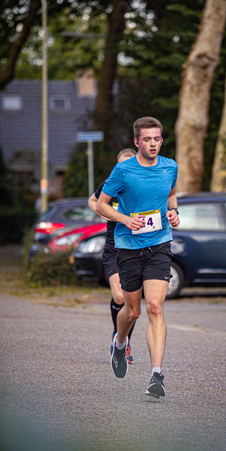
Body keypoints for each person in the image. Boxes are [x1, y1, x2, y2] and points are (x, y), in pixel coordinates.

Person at [95, 117, 180, 398]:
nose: (153, 144)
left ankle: (157, 375)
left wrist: (173, 212)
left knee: (155, 306)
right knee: (132, 311)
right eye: (147, 139)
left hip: (159, 243)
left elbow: (171, 194)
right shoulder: (123, 171)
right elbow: (101, 206)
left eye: (157, 139)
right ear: (137, 142)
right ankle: (119, 344)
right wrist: (125, 219)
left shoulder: (170, 167)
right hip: (128, 246)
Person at [88, 148, 137, 364]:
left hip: (137, 248)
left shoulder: (143, 186)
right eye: (121, 166)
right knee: (119, 297)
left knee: (131, 303)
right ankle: (118, 339)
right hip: (114, 248)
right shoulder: (110, 185)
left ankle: (122, 342)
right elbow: (93, 200)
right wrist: (102, 211)